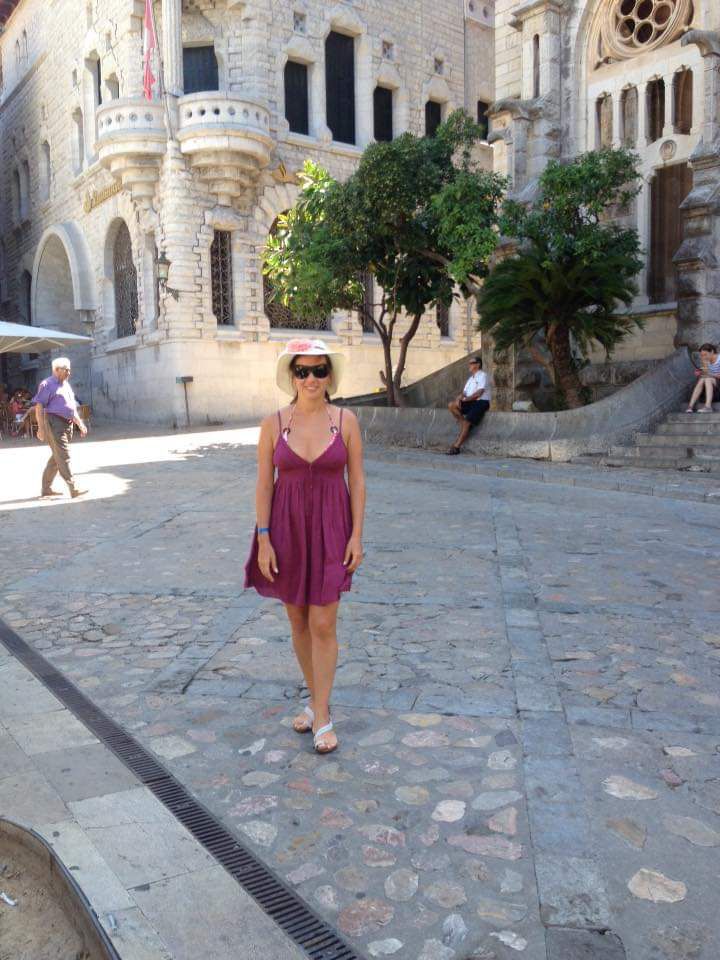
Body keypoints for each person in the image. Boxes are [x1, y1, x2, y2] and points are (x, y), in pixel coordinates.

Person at [244, 338, 366, 755]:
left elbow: (357, 481)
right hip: (286, 531)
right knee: (297, 621)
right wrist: (264, 538)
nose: (311, 378)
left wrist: (356, 535)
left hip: (332, 530)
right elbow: (264, 485)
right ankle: (315, 702)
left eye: (319, 370)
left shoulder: (345, 421)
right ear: (292, 376)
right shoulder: (273, 424)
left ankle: (323, 714)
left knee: (323, 623)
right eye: (302, 371)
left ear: (329, 376)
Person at [32, 357, 88, 498]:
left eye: (69, 369)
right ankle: (73, 488)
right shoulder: (47, 384)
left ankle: (46, 489)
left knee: (57, 457)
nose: (69, 372)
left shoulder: (66, 385)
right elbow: (39, 407)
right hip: (54, 423)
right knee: (63, 455)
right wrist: (40, 428)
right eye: (66, 370)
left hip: (67, 424)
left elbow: (72, 407)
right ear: (56, 370)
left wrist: (80, 423)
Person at [446, 356, 491, 454]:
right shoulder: (471, 379)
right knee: (451, 405)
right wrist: (459, 398)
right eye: (469, 363)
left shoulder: (483, 375)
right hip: (470, 401)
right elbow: (464, 392)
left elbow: (479, 393)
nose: (469, 365)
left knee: (467, 422)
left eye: (471, 363)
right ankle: (464, 425)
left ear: (478, 365)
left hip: (481, 402)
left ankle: (456, 447)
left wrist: (465, 399)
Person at [686, 343, 720, 413]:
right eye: (702, 355)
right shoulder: (705, 360)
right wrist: (700, 372)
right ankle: (690, 406)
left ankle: (708, 407)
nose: (703, 357)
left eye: (705, 354)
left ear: (712, 352)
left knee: (707, 378)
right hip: (711, 388)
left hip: (718, 387)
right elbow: (705, 373)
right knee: (703, 378)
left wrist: (708, 374)